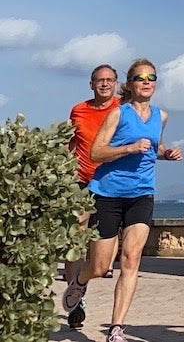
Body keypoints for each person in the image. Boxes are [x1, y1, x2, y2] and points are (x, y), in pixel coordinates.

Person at [62, 58, 183, 342]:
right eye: (140, 77)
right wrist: (128, 148)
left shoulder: (161, 115)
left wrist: (166, 154)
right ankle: (80, 281)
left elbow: (155, 145)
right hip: (107, 194)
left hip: (141, 194)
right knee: (101, 266)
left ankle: (116, 328)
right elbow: (96, 153)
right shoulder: (118, 113)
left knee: (130, 259)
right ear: (130, 84)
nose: (146, 81)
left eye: (151, 77)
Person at [63, 64, 121, 327]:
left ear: (117, 83)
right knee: (76, 237)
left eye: (109, 80)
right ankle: (76, 300)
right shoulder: (79, 110)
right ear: (91, 84)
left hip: (112, 184)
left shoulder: (124, 108)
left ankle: (81, 281)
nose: (105, 84)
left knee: (101, 256)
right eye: (100, 80)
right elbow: (70, 142)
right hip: (81, 181)